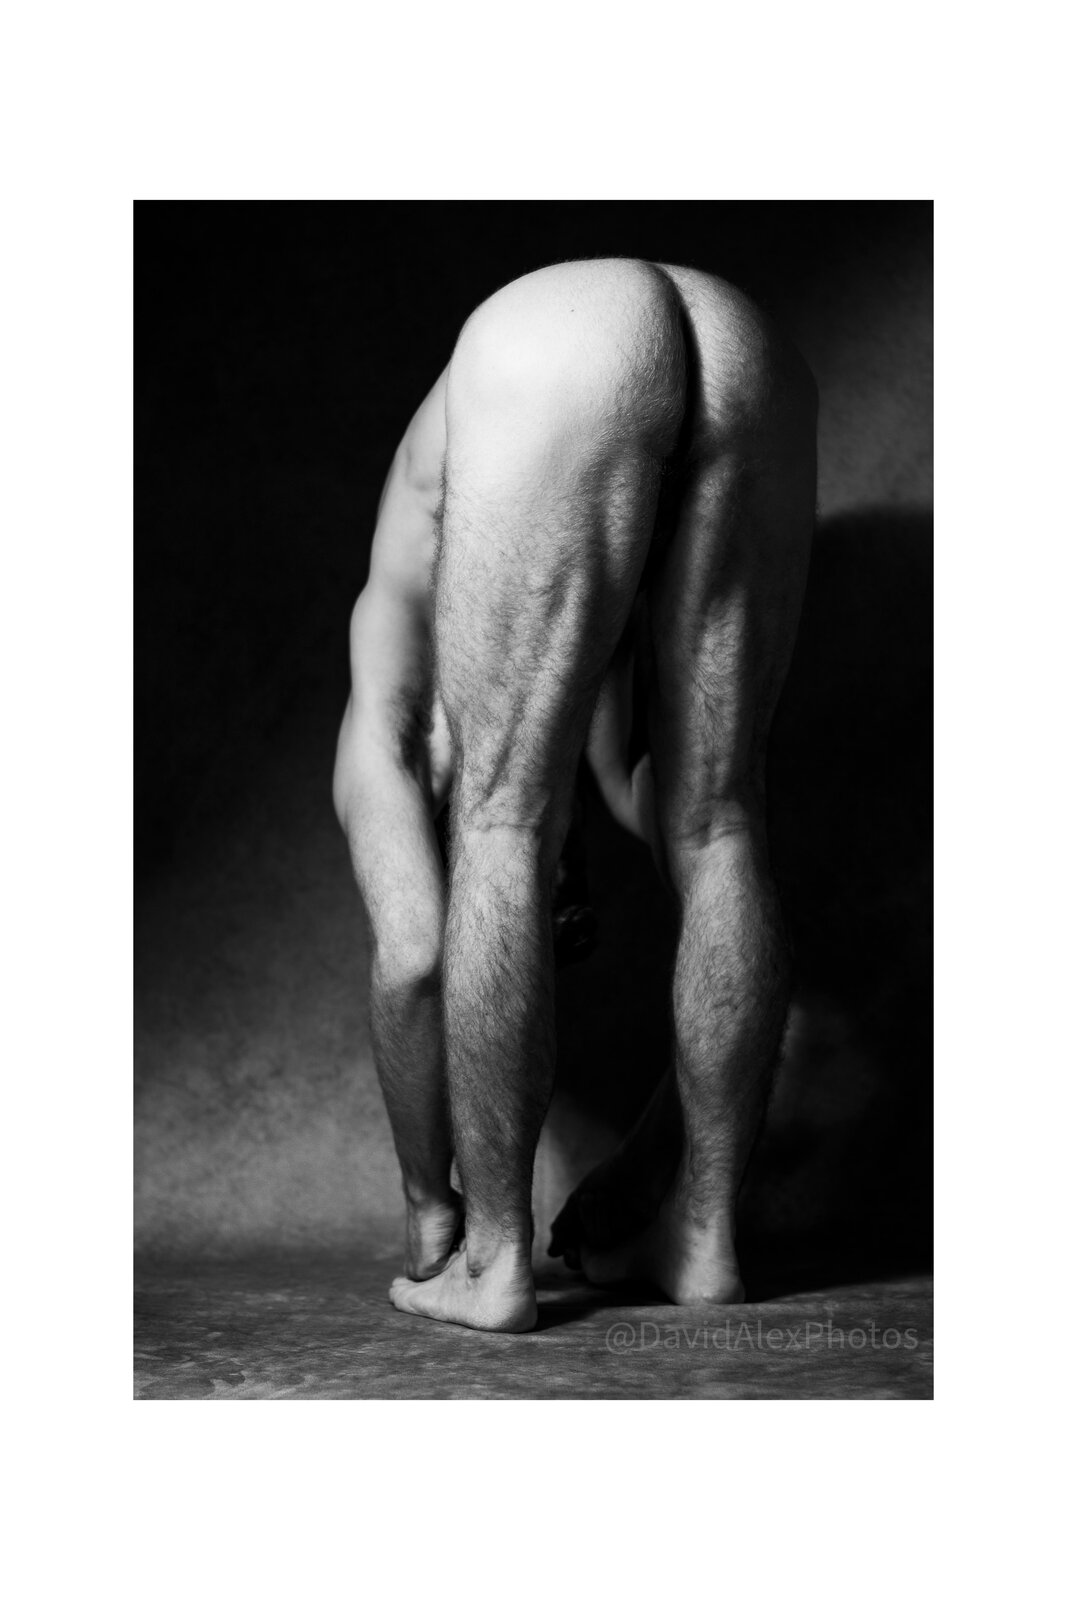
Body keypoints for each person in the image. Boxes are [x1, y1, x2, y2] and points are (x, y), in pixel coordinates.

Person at [333, 258, 817, 1332]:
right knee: (722, 828)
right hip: (747, 344)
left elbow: (413, 957)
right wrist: (646, 1167)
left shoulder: (386, 726)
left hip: (554, 341)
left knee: (503, 823)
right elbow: (688, 862)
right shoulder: (571, 690)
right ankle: (701, 1235)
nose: (567, 897)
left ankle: (493, 1263)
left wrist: (428, 1203)